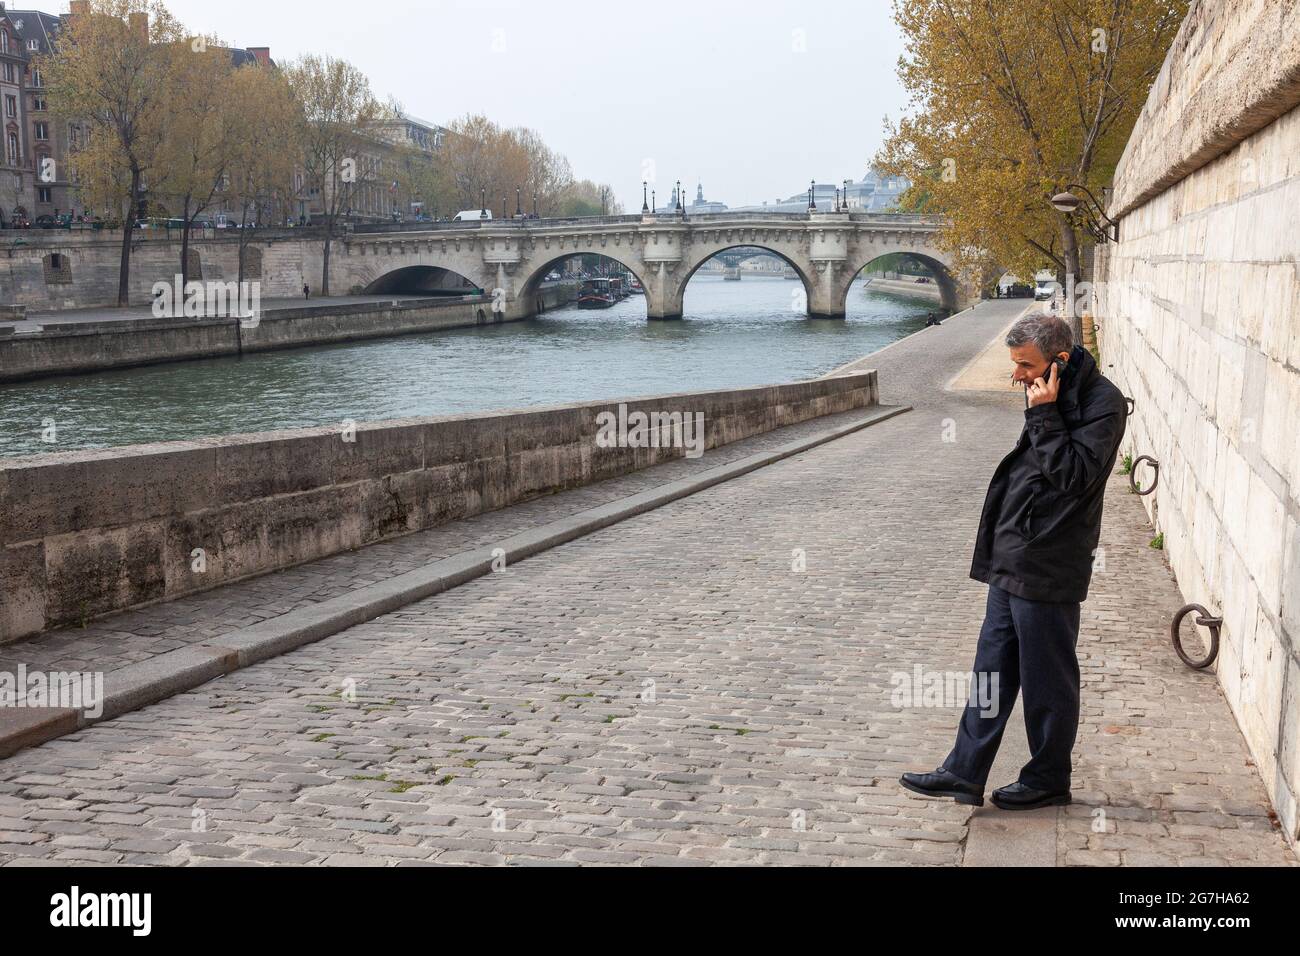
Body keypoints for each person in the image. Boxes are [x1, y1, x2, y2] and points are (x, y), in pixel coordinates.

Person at [901, 313, 1128, 810]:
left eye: (1025, 366)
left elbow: (1073, 476)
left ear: (1060, 361)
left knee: (1048, 680)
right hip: (1013, 555)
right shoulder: (1052, 389)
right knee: (990, 673)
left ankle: (1048, 778)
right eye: (1015, 366)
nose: (1017, 376)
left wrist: (1044, 415)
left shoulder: (1103, 404)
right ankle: (963, 771)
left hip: (1049, 563)